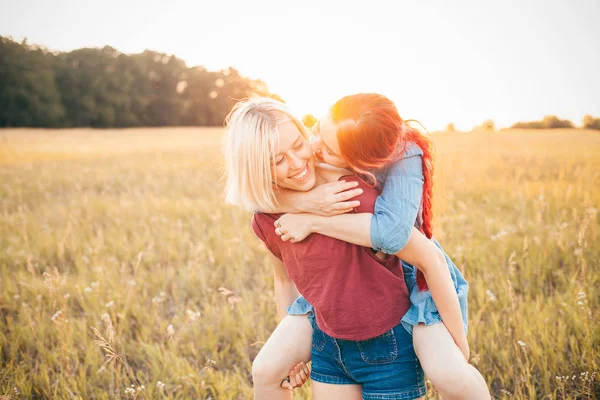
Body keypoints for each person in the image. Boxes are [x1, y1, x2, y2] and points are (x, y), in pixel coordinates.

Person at [223, 97, 463, 399]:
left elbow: (427, 257)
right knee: (265, 370)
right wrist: (292, 348)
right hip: (329, 348)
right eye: (277, 160)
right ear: (256, 169)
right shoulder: (266, 221)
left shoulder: (350, 195)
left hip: (388, 346)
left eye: (299, 145)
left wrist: (459, 345)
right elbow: (284, 279)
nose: (297, 164)